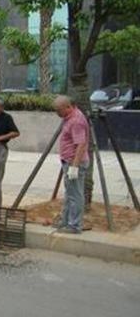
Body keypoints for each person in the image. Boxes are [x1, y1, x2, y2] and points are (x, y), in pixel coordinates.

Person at [53, 95, 90, 234]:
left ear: (68, 107)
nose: (57, 113)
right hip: (68, 162)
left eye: (59, 110)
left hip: (74, 163)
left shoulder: (76, 121)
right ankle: (66, 221)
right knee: (70, 194)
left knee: (75, 195)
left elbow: (80, 145)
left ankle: (74, 225)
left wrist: (74, 166)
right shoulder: (69, 118)